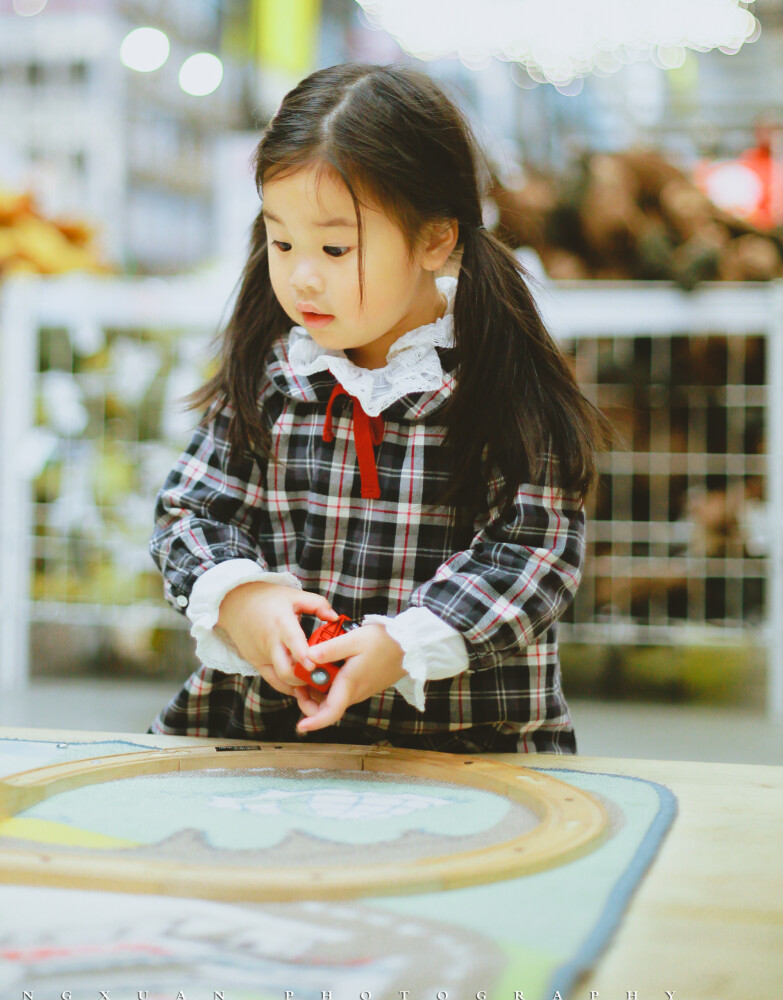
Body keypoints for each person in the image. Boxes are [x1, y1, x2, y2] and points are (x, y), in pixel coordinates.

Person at [150, 63, 605, 754]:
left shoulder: (493, 378)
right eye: (282, 242)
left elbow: (535, 552)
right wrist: (244, 599)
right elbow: (191, 508)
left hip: (465, 750)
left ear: (435, 239)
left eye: (336, 247)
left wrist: (405, 642)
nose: (303, 274)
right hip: (271, 746)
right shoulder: (277, 373)